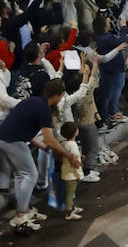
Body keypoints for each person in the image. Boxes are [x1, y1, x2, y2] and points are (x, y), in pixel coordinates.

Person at [0, 80, 76, 232]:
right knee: (30, 174)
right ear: (57, 96)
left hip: (5, 138)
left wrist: (47, 149)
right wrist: (68, 155)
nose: (61, 99)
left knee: (23, 175)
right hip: (12, 141)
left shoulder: (33, 102)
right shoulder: (44, 109)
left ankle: (24, 210)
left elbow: (29, 134)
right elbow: (50, 139)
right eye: (61, 96)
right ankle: (20, 216)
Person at [57, 120, 82, 220]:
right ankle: (69, 212)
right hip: (72, 173)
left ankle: (71, 207)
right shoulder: (73, 145)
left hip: (65, 171)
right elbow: (75, 162)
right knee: (70, 193)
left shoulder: (63, 143)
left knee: (70, 192)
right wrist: (79, 174)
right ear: (75, 132)